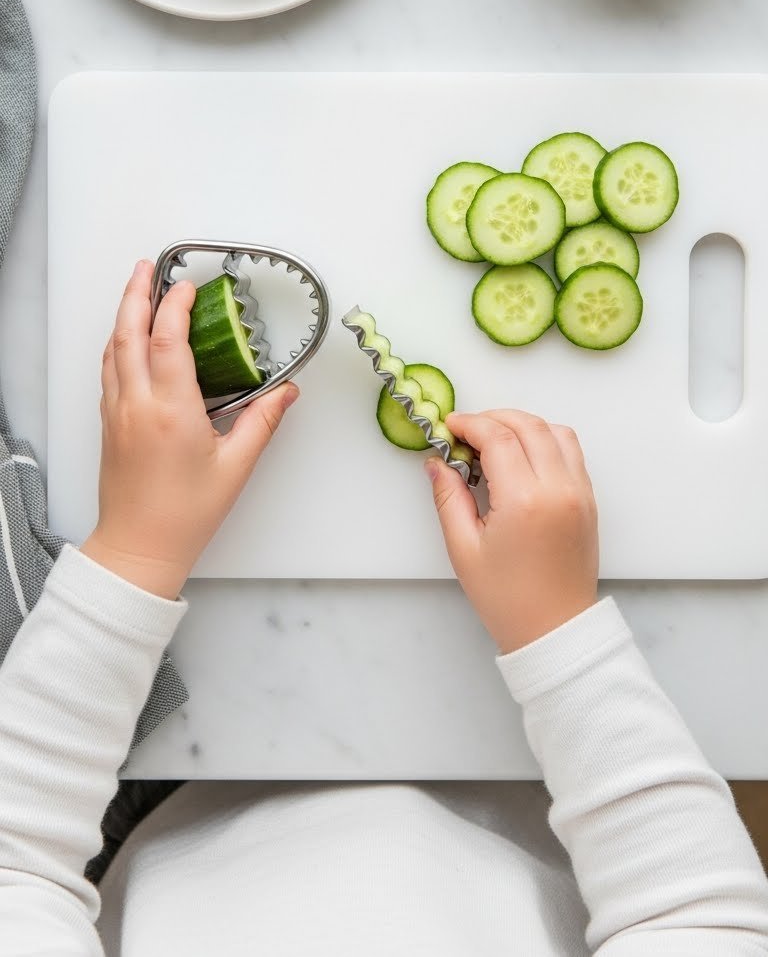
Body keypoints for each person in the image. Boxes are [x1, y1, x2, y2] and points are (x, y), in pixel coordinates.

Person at [0, 260, 767, 956]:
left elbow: (13, 867)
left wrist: (135, 548)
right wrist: (558, 629)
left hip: (168, 815)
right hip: (545, 810)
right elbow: (699, 922)